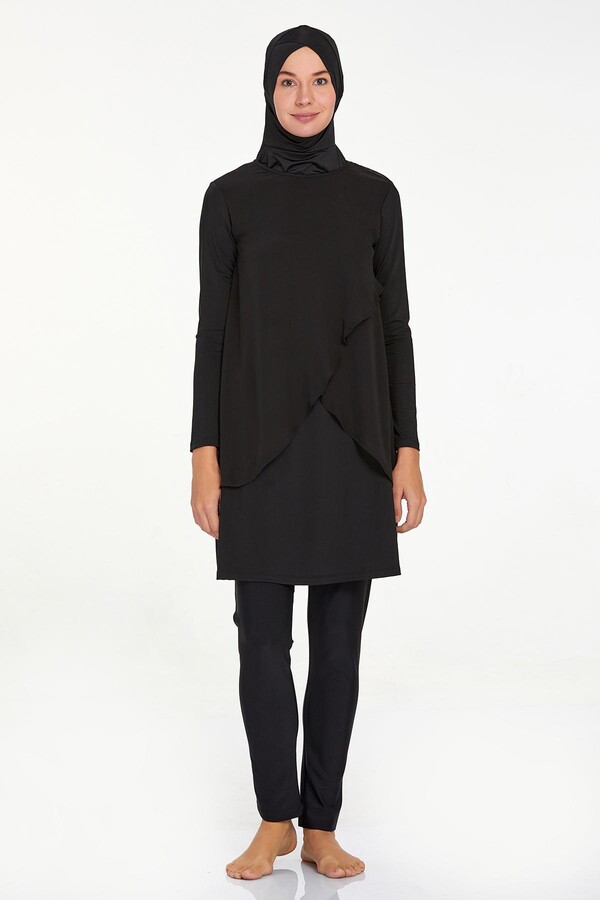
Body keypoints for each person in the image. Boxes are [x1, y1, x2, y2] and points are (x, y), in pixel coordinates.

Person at [190, 24, 427, 880]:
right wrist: (203, 451)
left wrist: (407, 447)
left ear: (338, 90)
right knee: (261, 643)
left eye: (318, 79)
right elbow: (213, 332)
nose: (303, 95)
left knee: (338, 649)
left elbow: (396, 328)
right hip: (256, 444)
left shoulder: (375, 197)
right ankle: (274, 819)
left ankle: (321, 825)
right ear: (267, 90)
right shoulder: (229, 198)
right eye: (287, 80)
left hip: (354, 442)